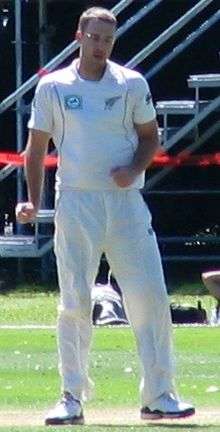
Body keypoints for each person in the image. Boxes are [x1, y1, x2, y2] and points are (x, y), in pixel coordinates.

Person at [16, 6, 195, 426]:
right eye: (94, 38)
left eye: (108, 40)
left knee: (150, 297)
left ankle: (159, 395)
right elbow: (37, 148)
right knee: (75, 301)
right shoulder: (53, 87)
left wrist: (133, 170)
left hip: (127, 204)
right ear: (79, 37)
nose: (101, 46)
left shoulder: (131, 83)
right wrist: (32, 201)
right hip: (76, 203)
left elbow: (150, 137)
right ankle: (71, 397)